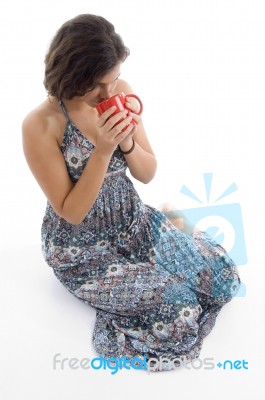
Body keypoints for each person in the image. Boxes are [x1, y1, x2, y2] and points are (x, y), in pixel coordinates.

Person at [22, 14, 241, 372]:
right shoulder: (41, 124)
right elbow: (71, 211)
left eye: (114, 80)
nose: (109, 94)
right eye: (97, 85)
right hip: (82, 251)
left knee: (223, 279)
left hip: (133, 223)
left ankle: (164, 248)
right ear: (71, 75)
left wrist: (126, 141)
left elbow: (147, 172)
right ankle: (137, 289)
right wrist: (104, 150)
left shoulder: (120, 91)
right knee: (178, 309)